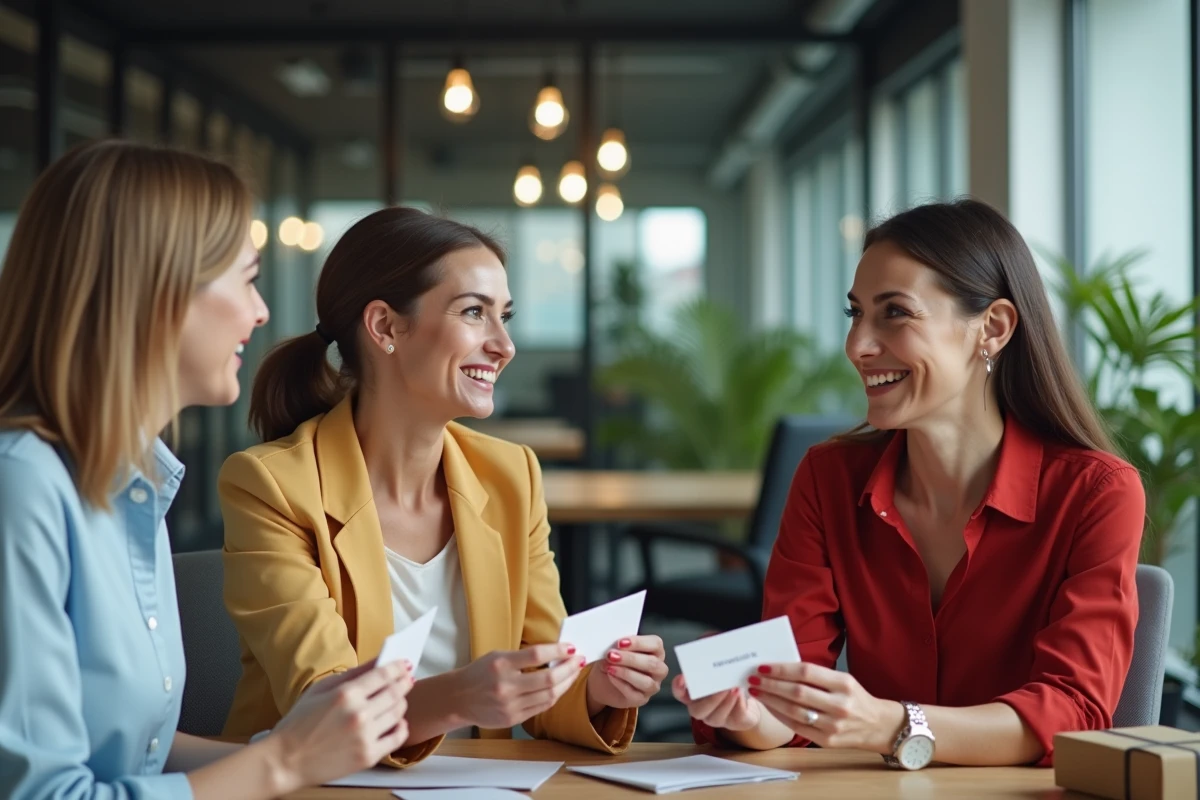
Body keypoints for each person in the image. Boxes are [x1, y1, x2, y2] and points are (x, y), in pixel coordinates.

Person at [0, 141, 413, 800]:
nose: (261, 311)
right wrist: (285, 764)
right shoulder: (22, 489)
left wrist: (292, 744)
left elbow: (134, 755)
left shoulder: (130, 487)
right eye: (247, 277)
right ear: (158, 290)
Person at [673, 199, 1144, 769]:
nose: (858, 346)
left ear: (992, 328)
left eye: (894, 313)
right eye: (855, 315)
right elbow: (795, 687)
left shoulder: (1096, 494)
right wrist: (754, 716)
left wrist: (895, 724)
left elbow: (1073, 710)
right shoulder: (828, 479)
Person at [218, 206, 668, 766]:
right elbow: (326, 705)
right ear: (385, 327)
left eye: (505, 316)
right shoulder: (272, 486)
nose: (504, 345)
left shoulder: (511, 477)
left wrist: (596, 687)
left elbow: (541, 672)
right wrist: (460, 696)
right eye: (474, 312)